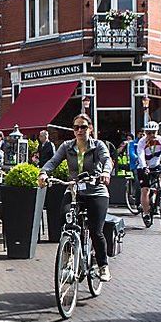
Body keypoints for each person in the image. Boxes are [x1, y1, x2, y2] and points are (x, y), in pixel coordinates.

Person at [38, 113, 113, 282]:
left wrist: (106, 172)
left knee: (96, 230)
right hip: (74, 190)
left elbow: (107, 160)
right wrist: (43, 173)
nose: (79, 130)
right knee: (66, 223)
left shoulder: (98, 145)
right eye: (76, 127)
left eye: (83, 127)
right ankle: (69, 259)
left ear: (90, 129)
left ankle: (103, 266)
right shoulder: (66, 146)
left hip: (96, 191)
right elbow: (53, 161)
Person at [136, 120, 161, 226]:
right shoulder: (142, 142)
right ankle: (146, 213)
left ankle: (159, 194)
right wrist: (144, 167)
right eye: (149, 132)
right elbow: (140, 155)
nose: (152, 135)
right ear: (145, 132)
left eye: (154, 132)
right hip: (144, 167)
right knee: (145, 190)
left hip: (156, 165)